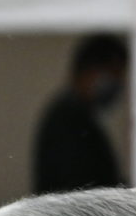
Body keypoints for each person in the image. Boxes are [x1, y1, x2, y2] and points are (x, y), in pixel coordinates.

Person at [33, 33, 130, 194]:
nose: (115, 85)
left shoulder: (79, 116)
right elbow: (80, 185)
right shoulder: (68, 120)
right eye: (111, 76)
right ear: (89, 71)